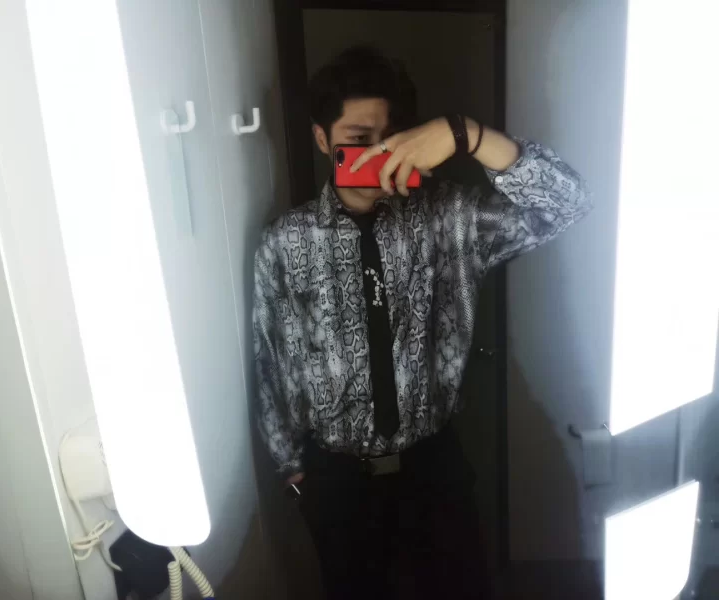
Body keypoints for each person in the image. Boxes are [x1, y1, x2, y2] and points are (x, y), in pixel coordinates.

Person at [253, 46, 591, 600]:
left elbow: (568, 203)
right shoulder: (284, 241)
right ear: (322, 139)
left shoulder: (449, 218)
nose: (377, 153)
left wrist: (467, 135)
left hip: (434, 468)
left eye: (391, 138)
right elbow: (271, 358)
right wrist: (292, 471)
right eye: (358, 138)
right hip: (336, 479)